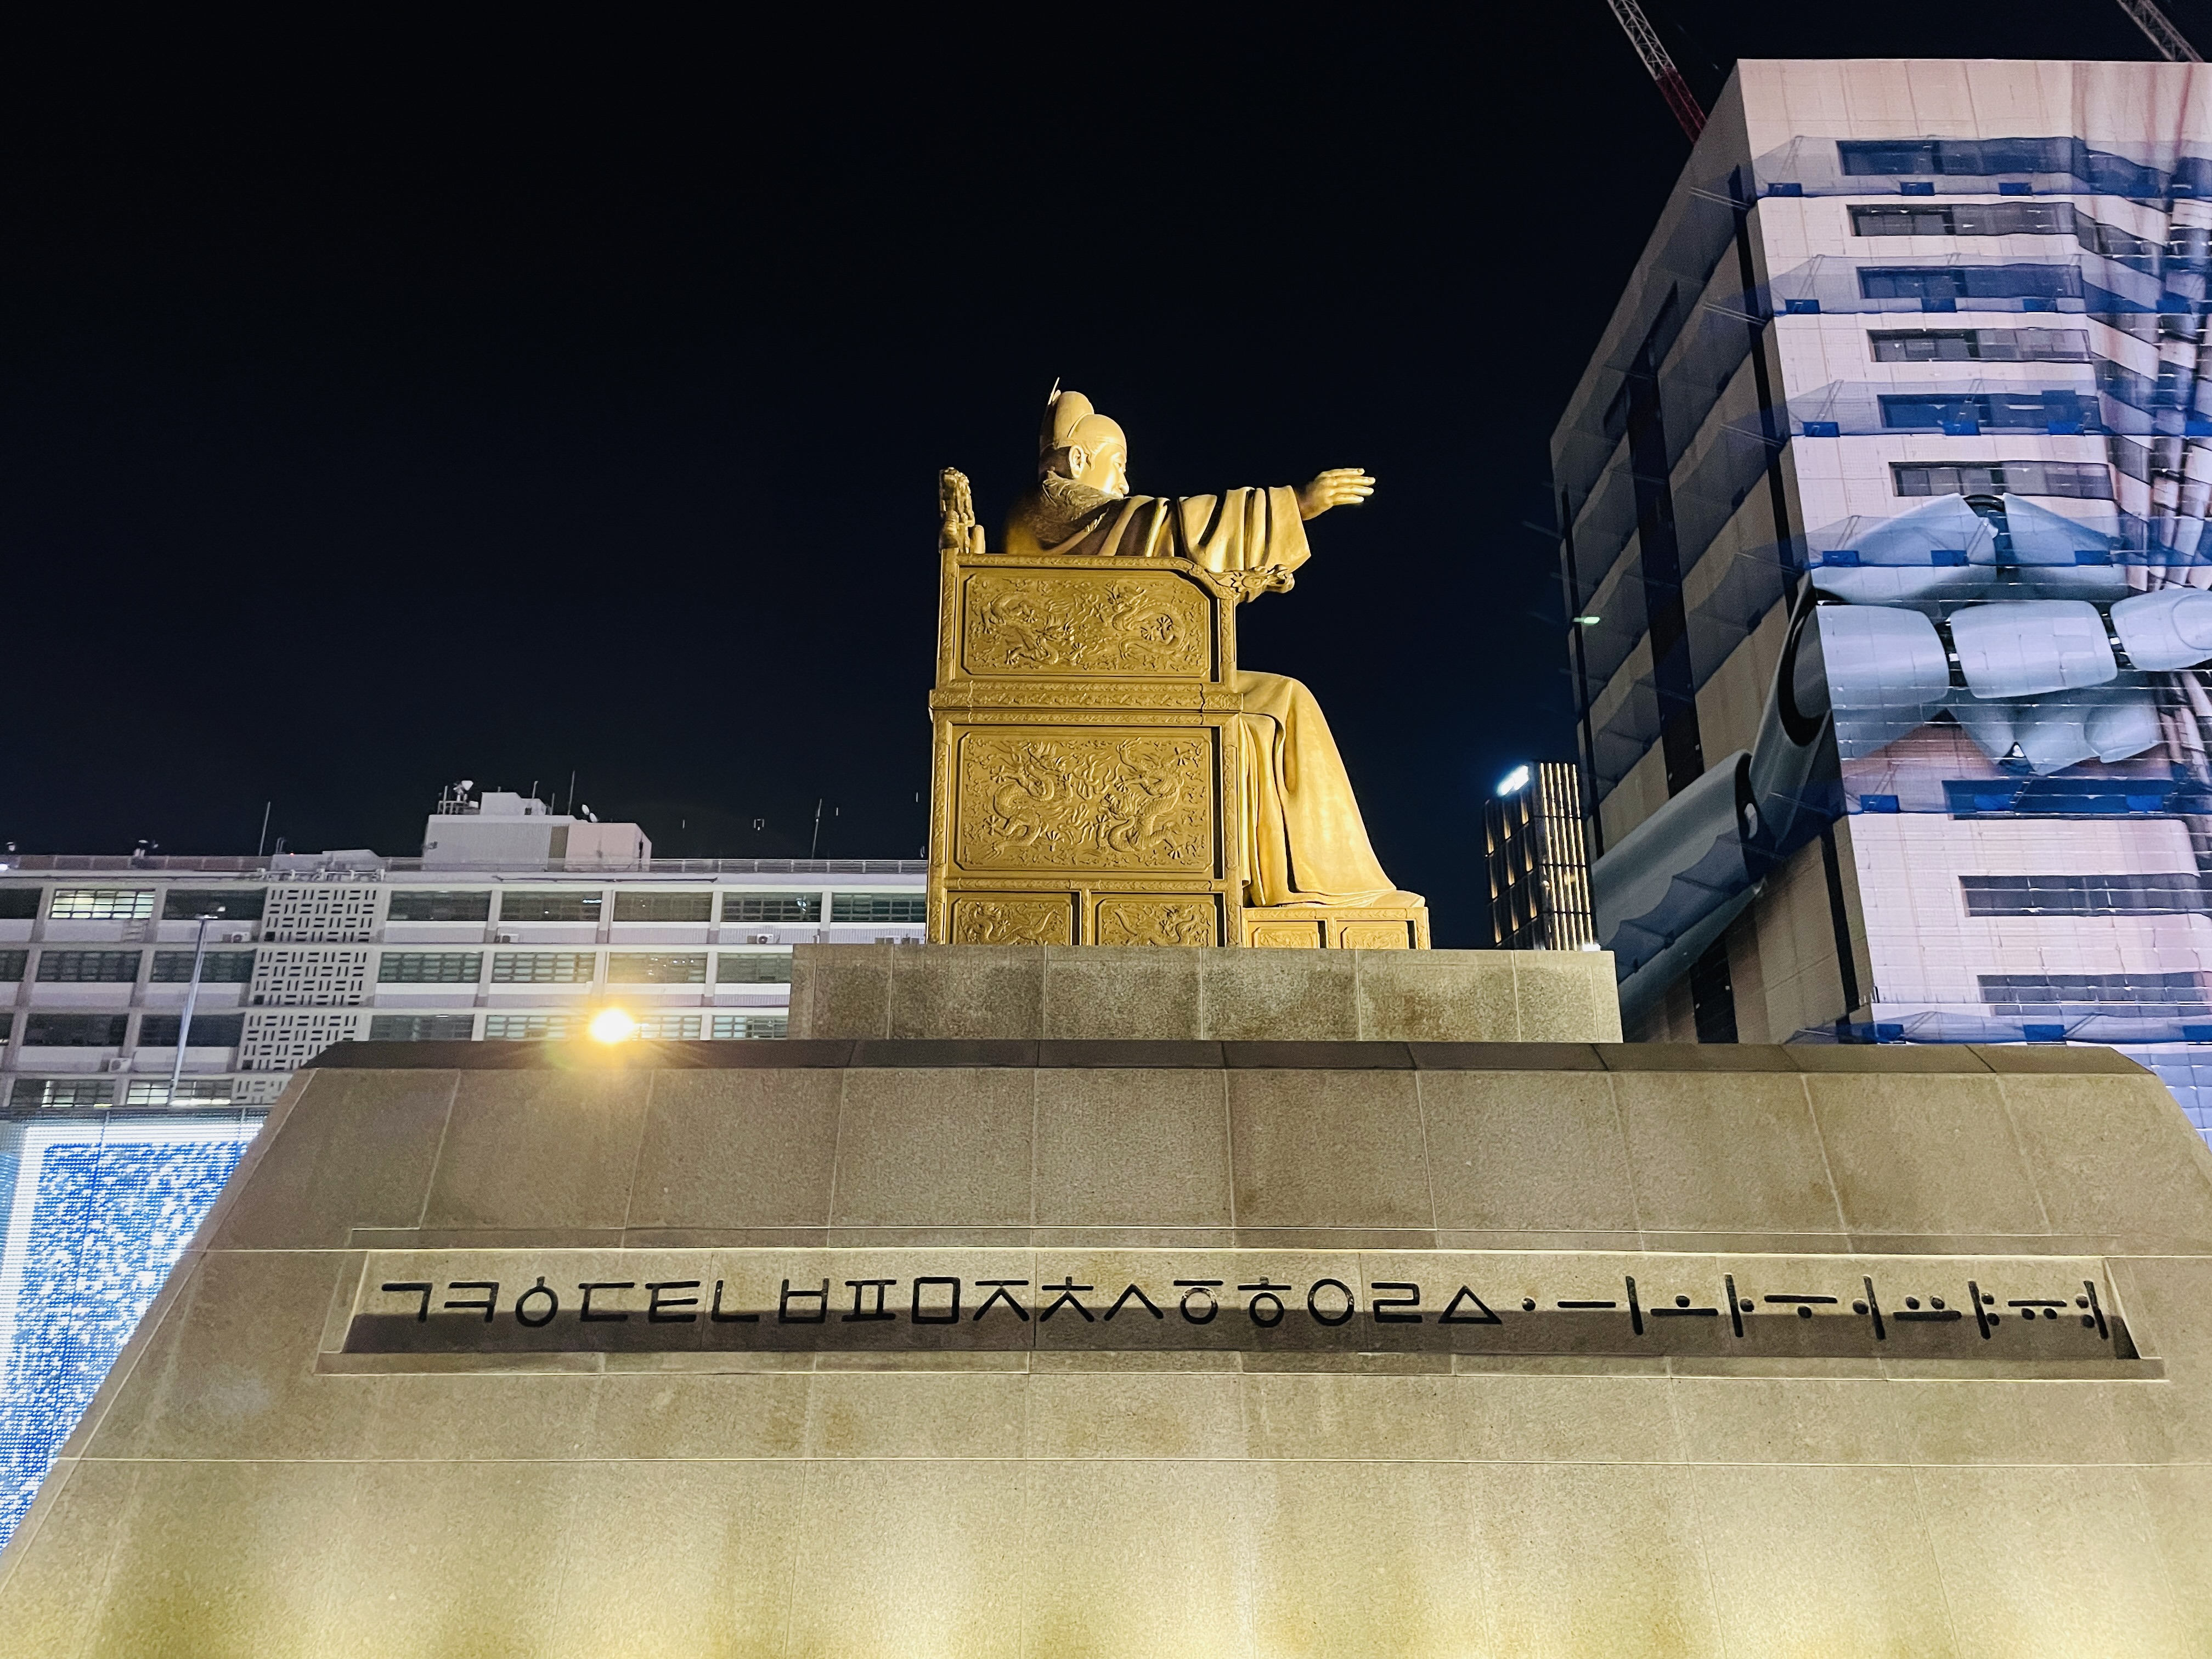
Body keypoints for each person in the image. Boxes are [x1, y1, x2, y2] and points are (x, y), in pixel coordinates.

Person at [1000, 388, 1423, 910]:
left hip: (1119, 665)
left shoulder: (1065, 510)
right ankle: (1303, 889)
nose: (1126, 483)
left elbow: (1156, 572)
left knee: (1287, 698)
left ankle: (1327, 882)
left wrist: (1244, 580)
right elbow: (1163, 527)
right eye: (1119, 465)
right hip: (1092, 679)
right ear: (1080, 460)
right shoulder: (1052, 503)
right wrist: (1295, 504)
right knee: (1270, 712)